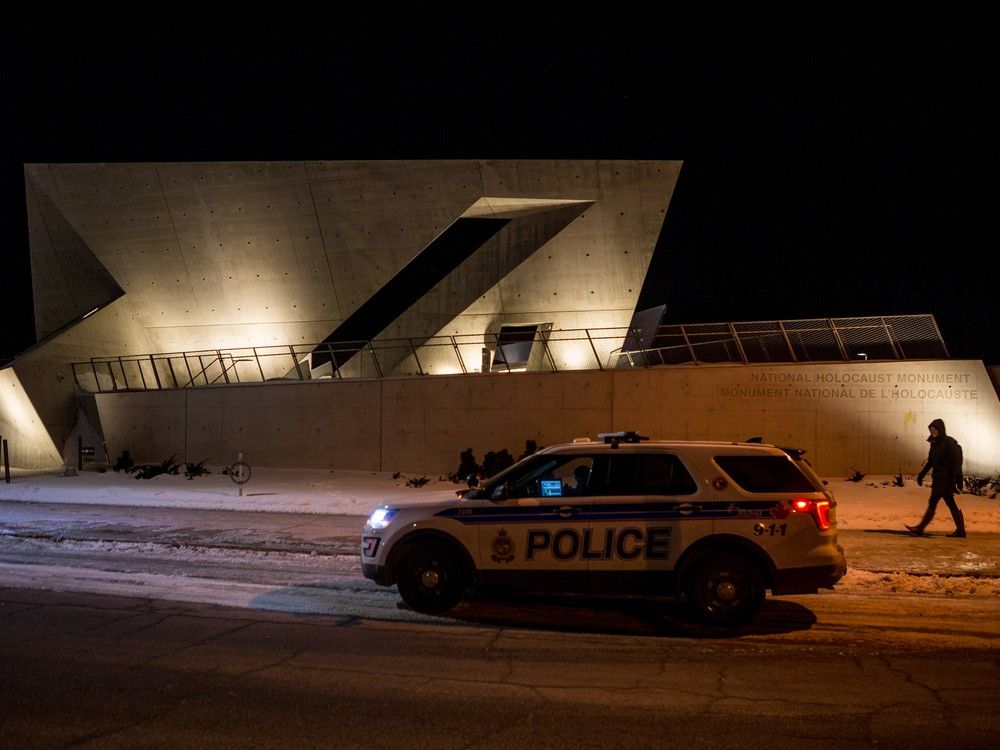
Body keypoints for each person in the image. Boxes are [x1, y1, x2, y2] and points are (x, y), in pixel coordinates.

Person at [905, 418, 965, 537]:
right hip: (938, 479)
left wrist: (958, 477)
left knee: (933, 501)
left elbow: (956, 461)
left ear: (940, 430)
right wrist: (921, 474)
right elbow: (930, 461)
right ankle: (960, 530)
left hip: (946, 478)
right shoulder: (934, 444)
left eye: (935, 430)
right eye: (931, 430)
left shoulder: (948, 443)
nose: (933, 432)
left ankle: (920, 528)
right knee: (949, 502)